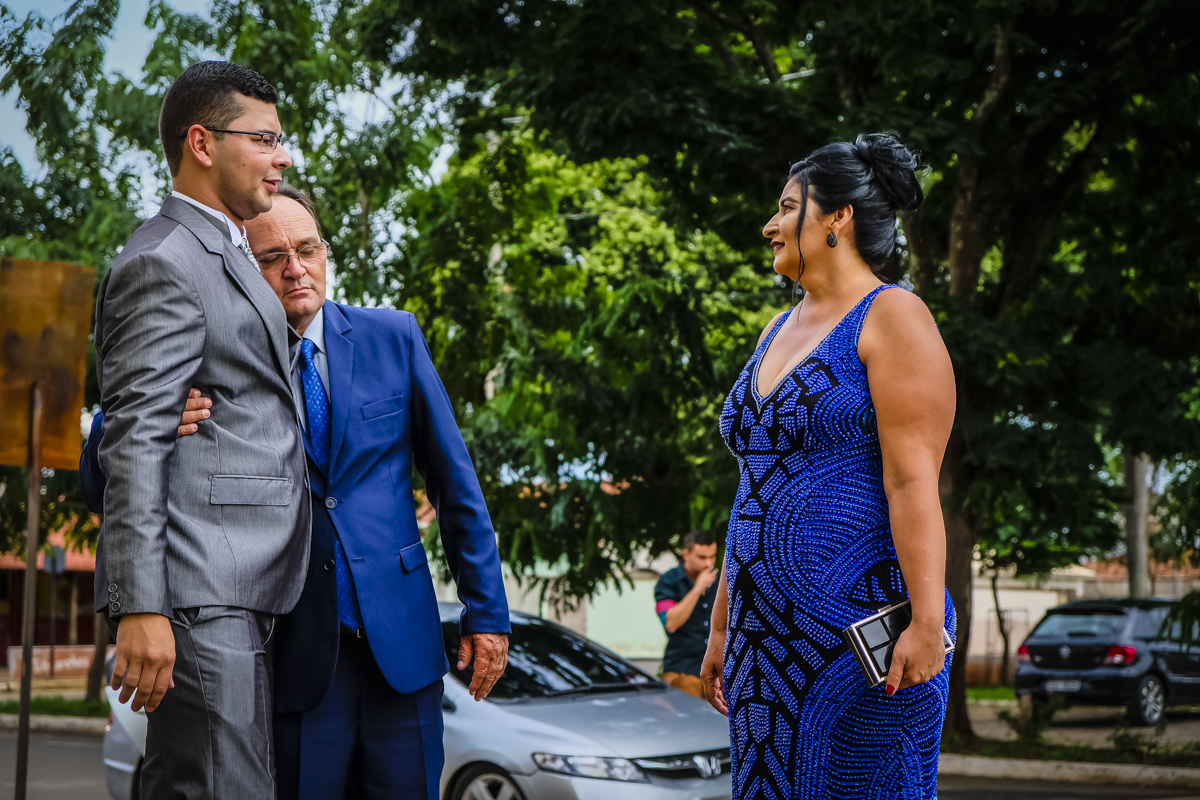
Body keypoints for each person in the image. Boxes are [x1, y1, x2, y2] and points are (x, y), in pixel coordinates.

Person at [83, 184, 511, 800]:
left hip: (404, 652)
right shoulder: (209, 359)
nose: (295, 269)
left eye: (307, 248)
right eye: (271, 258)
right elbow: (104, 480)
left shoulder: (395, 336)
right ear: (242, 273)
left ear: (325, 253)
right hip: (290, 656)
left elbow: (455, 483)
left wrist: (487, 612)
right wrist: (129, 419)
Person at [698, 133, 956, 799]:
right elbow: (753, 491)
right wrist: (723, 625)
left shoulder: (893, 315)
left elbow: (911, 481)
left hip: (862, 639)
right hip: (765, 640)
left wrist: (927, 624)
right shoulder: (773, 332)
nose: (770, 225)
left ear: (837, 215)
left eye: (787, 207)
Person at [91, 61, 308, 797]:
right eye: (267, 139)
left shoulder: (228, 250)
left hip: (239, 586)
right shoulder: (165, 260)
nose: (284, 157)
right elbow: (136, 442)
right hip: (197, 593)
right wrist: (142, 604)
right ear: (202, 143)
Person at [654, 530, 718, 698]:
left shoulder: (720, 583)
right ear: (686, 554)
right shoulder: (668, 581)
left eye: (712, 557)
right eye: (702, 558)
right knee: (691, 692)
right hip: (683, 668)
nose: (709, 564)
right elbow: (671, 623)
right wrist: (697, 589)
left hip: (717, 670)